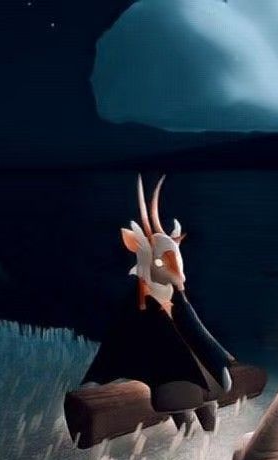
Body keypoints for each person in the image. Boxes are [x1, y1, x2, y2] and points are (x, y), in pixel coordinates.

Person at [81, 175, 233, 429]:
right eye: (162, 262)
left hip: (199, 378)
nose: (179, 274)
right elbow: (119, 343)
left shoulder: (175, 296)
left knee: (200, 397)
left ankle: (200, 424)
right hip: (173, 382)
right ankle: (190, 425)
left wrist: (221, 355)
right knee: (180, 396)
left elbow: (196, 328)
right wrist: (95, 379)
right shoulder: (140, 302)